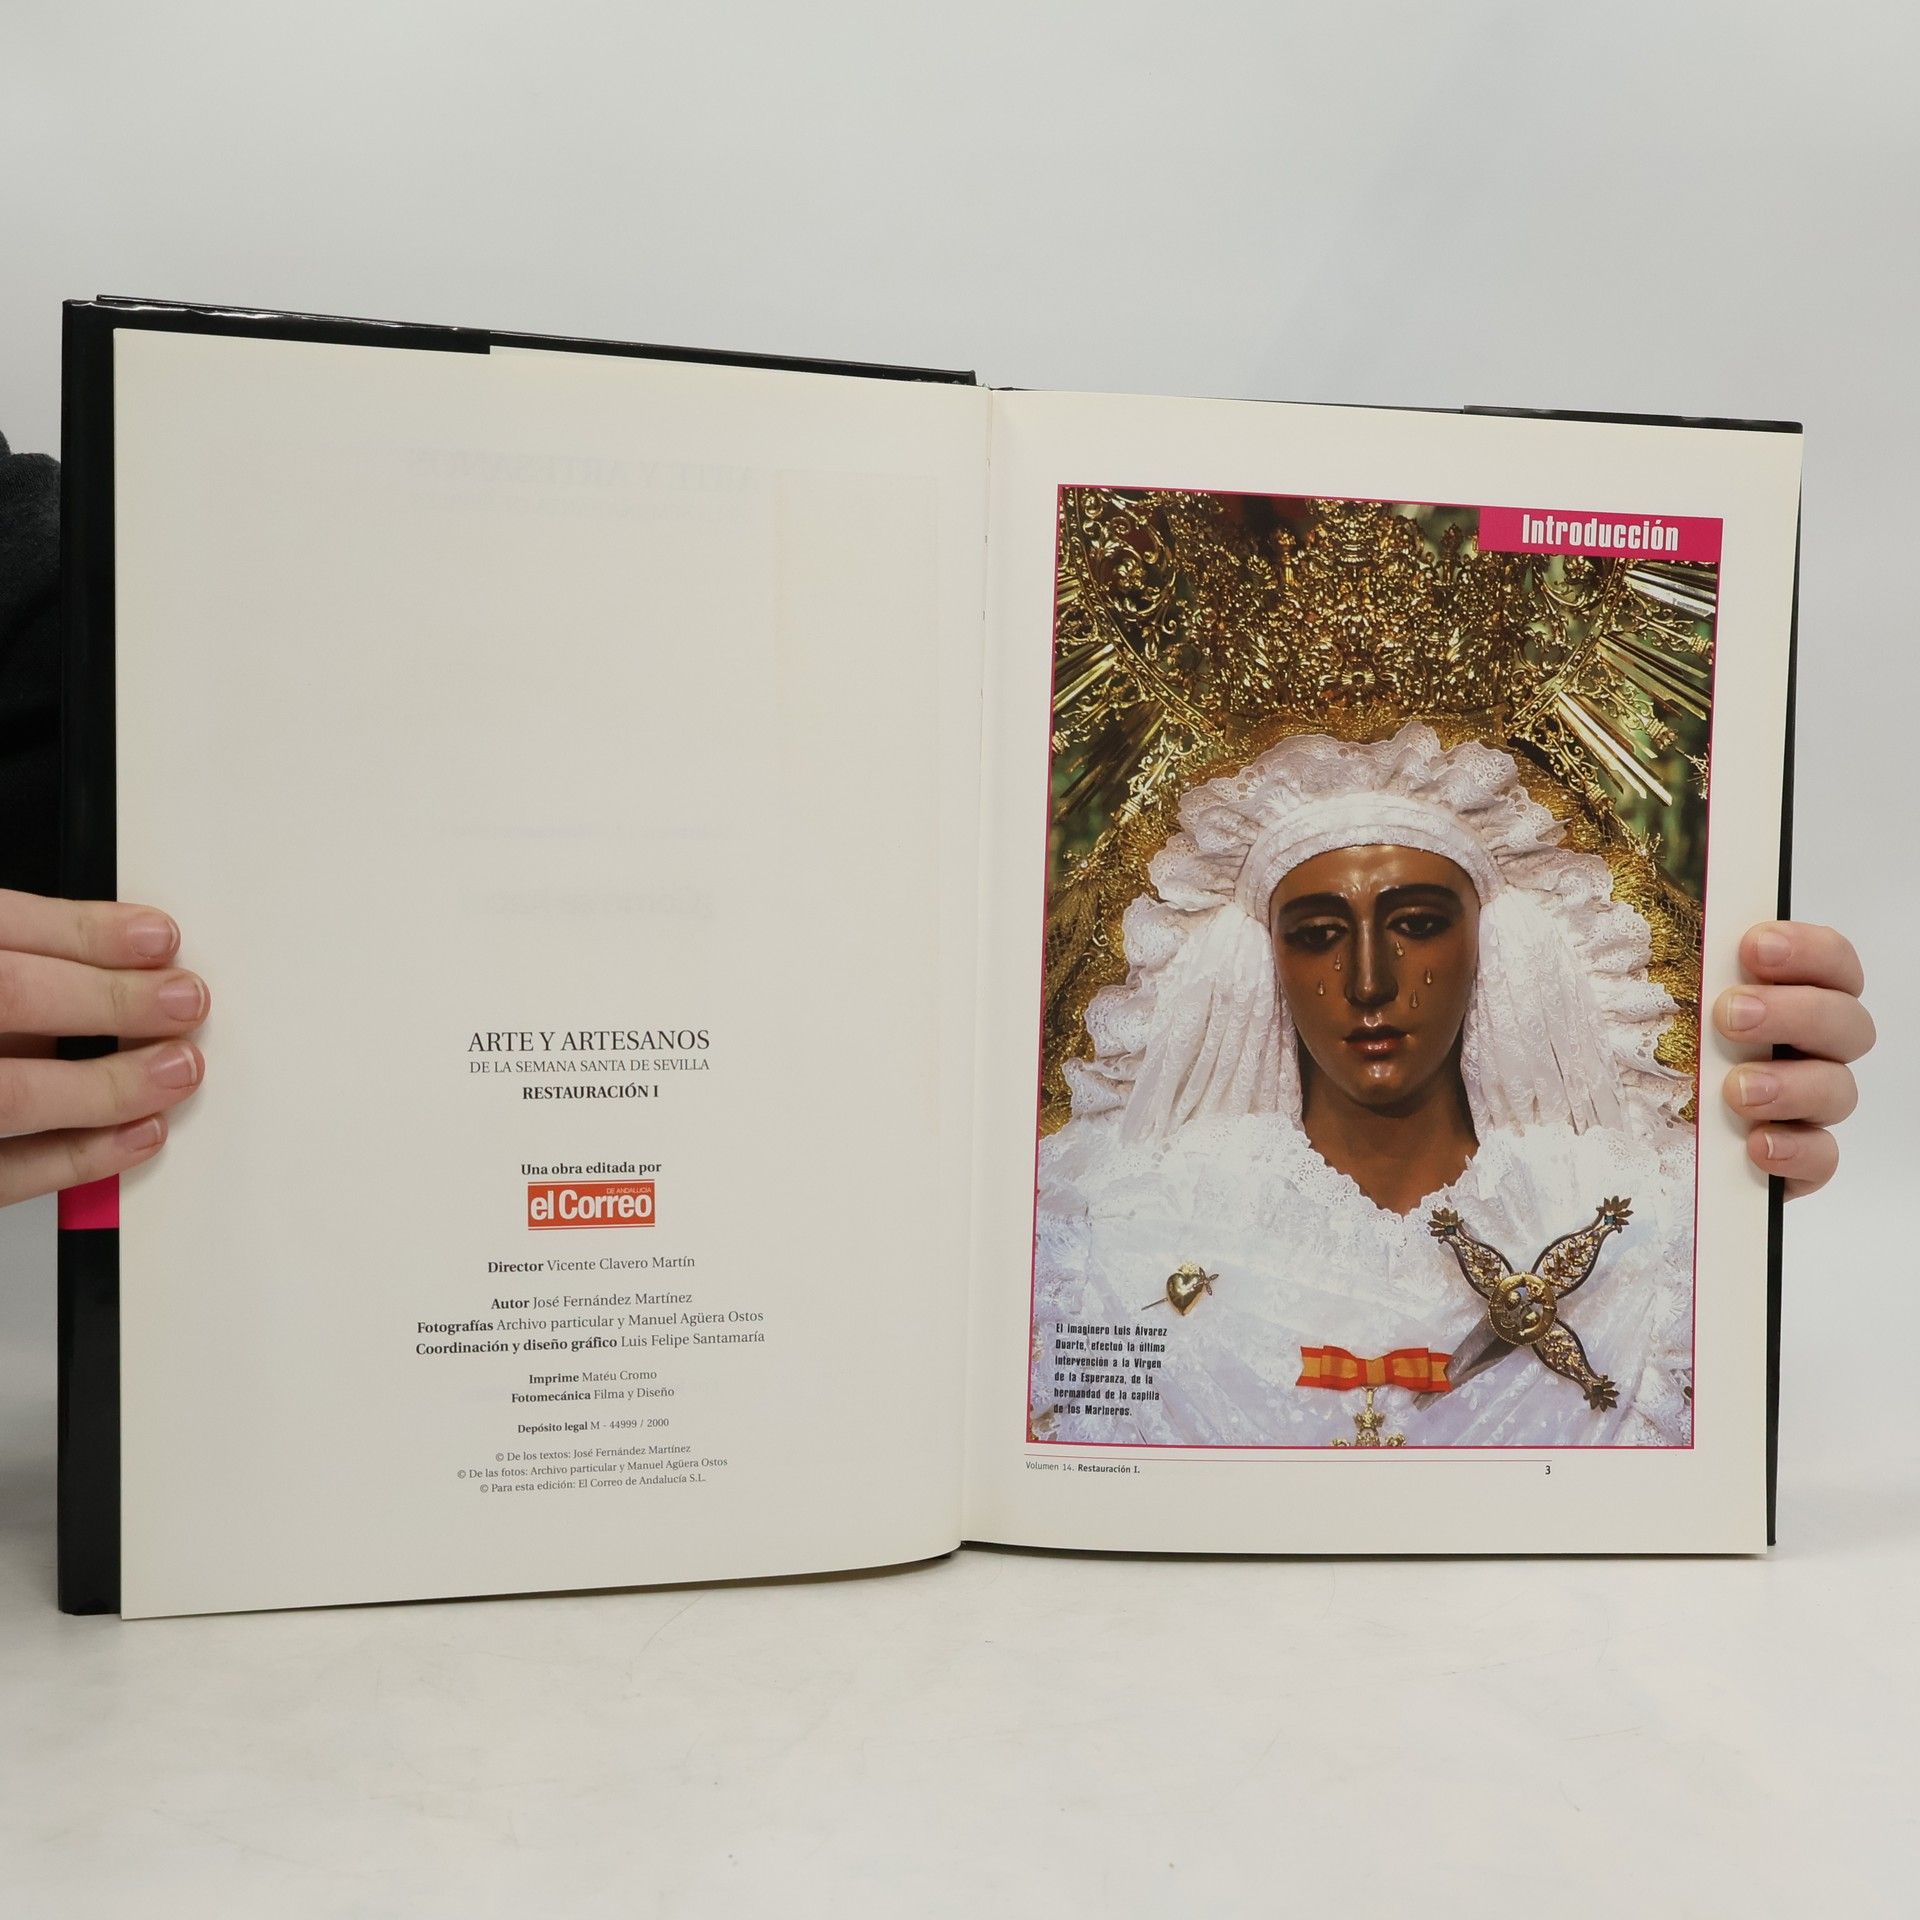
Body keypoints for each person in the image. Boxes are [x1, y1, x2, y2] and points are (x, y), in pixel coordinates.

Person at [1031, 724, 1875, 1447]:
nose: (1368, 980)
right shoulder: (1126, 1232)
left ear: (1495, 949)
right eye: (1318, 935)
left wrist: (1743, 1206)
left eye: (1419, 924)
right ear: (1258, 967)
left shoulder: (1635, 1228)